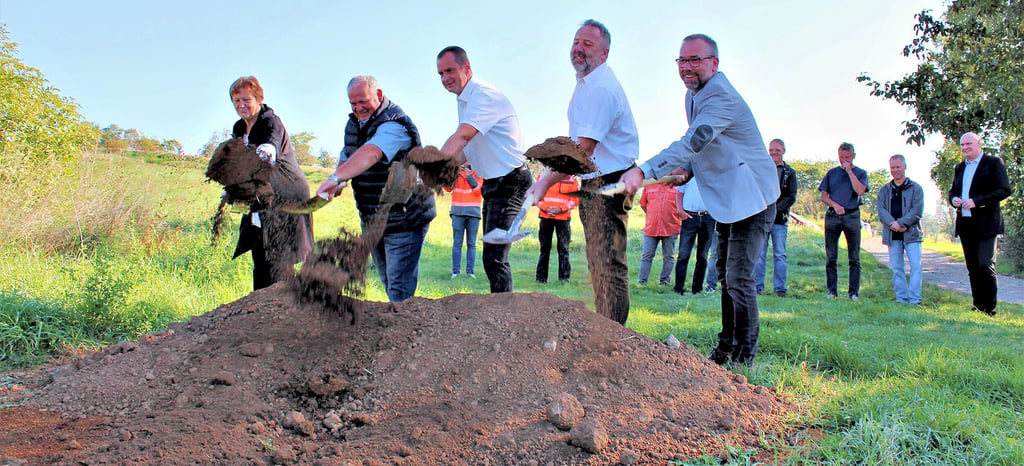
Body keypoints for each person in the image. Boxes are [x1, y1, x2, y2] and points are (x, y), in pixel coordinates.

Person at [617, 34, 779, 367]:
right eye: (682, 61)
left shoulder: (720, 96)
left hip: (753, 197)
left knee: (739, 277)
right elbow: (707, 147)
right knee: (724, 273)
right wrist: (686, 170)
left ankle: (744, 357)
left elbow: (696, 139)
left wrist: (643, 171)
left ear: (714, 63)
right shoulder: (694, 94)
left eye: (696, 60)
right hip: (727, 198)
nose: (688, 67)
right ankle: (726, 346)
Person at [527, 19, 639, 325]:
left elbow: (581, 152)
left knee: (607, 262)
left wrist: (543, 183)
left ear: (604, 54)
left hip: (609, 183)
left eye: (587, 44)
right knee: (598, 260)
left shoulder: (601, 89)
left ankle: (614, 337)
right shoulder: (586, 86)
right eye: (576, 42)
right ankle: (606, 327)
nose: (578, 49)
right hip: (597, 181)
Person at [317, 75, 436, 302]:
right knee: (388, 281)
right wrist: (340, 180)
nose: (358, 108)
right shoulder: (354, 124)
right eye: (353, 103)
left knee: (399, 286)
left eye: (363, 101)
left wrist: (335, 177)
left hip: (405, 216)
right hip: (373, 216)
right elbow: (349, 153)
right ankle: (398, 325)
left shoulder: (395, 124)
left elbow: (371, 153)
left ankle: (404, 332)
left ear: (379, 95)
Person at [436, 46, 532, 293]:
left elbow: (462, 137)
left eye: (450, 70)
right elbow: (466, 150)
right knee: (491, 257)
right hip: (493, 184)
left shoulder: (483, 96)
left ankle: (505, 320)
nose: (445, 78)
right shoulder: (465, 101)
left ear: (466, 68)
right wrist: (445, 172)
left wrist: (431, 169)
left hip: (511, 181)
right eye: (440, 73)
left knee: (495, 257)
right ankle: (500, 316)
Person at [227, 76, 314, 291]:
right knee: (259, 252)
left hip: (285, 194)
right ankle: (261, 311)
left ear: (258, 98)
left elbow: (271, 144)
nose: (241, 105)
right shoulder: (239, 128)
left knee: (278, 259)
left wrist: (266, 150)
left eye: (246, 99)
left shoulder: (269, 120)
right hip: (260, 195)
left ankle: (284, 312)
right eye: (236, 101)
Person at [949, 132, 1011, 316]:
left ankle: (990, 309)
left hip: (987, 224)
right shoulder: (960, 167)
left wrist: (978, 201)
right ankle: (978, 306)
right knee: (973, 267)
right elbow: (952, 191)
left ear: (978, 143)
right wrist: (953, 200)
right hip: (966, 224)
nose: (965, 147)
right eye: (962, 145)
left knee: (985, 265)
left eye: (968, 143)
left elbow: (1004, 190)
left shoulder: (993, 163)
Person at [819, 142, 868, 301]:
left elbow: (860, 191)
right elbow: (824, 196)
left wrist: (849, 172)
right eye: (841, 157)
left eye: (847, 157)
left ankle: (853, 292)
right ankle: (831, 291)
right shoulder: (831, 173)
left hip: (852, 216)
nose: (844, 160)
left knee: (854, 257)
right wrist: (835, 205)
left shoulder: (860, 173)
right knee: (831, 256)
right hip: (833, 217)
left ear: (853, 156)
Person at [877, 154, 925, 305]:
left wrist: (902, 223)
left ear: (904, 167)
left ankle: (915, 299)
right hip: (892, 235)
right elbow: (881, 209)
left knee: (916, 266)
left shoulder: (916, 188)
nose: (895, 170)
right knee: (897, 268)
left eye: (898, 167)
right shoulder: (885, 190)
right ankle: (902, 298)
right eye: (893, 168)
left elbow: (917, 210)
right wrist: (893, 224)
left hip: (911, 234)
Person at [754, 138, 798, 297]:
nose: (774, 153)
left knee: (779, 254)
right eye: (771, 150)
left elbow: (791, 197)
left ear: (783, 151)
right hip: (762, 219)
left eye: (777, 150)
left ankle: (780, 288)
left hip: (780, 220)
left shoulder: (790, 172)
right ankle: (757, 287)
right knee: (759, 254)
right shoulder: (761, 170)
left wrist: (775, 210)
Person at [673, 179, 716, 295]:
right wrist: (680, 210)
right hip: (690, 217)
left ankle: (697, 289)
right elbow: (679, 193)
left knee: (702, 256)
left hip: (708, 218)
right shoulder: (689, 173)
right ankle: (678, 288)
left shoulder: (711, 174)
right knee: (683, 254)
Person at [535, 174, 580, 283]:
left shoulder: (571, 179)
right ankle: (541, 279)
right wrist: (546, 208)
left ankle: (564, 279)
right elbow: (536, 196)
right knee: (544, 249)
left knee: (564, 249)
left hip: (563, 218)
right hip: (546, 217)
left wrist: (561, 209)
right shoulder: (542, 177)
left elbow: (575, 200)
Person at [638, 183, 682, 286]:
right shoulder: (649, 185)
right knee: (646, 255)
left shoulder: (678, 186)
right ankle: (642, 282)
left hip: (671, 227)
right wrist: (653, 216)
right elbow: (643, 204)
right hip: (651, 227)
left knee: (668, 256)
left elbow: (682, 206)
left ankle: (665, 282)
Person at [444, 166, 483, 279]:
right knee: (457, 243)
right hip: (457, 212)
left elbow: (478, 191)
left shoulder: (479, 172)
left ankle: (470, 272)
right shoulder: (456, 172)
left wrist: (469, 175)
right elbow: (447, 188)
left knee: (471, 243)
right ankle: (455, 272)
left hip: (473, 214)